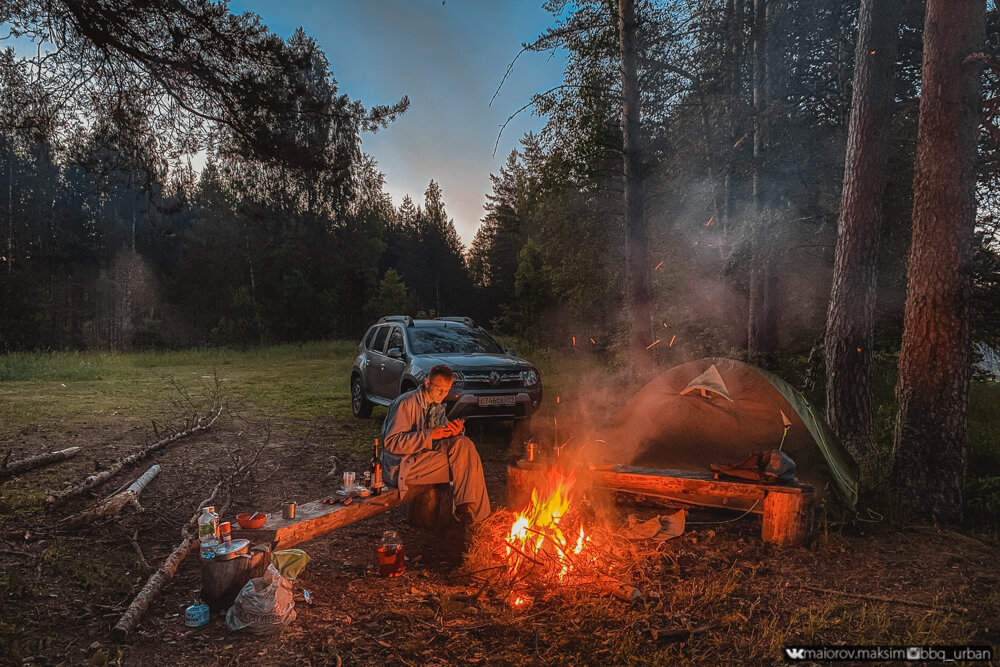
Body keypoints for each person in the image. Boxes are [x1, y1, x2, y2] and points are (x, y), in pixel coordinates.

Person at [381, 364, 491, 526]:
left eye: (446, 390)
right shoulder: (406, 404)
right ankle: (479, 519)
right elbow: (391, 443)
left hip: (424, 459)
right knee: (468, 464)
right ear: (427, 383)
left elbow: (444, 439)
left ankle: (467, 508)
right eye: (439, 388)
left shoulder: (436, 407)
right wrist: (430, 435)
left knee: (464, 444)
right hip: (403, 466)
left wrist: (454, 432)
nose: (442, 394)